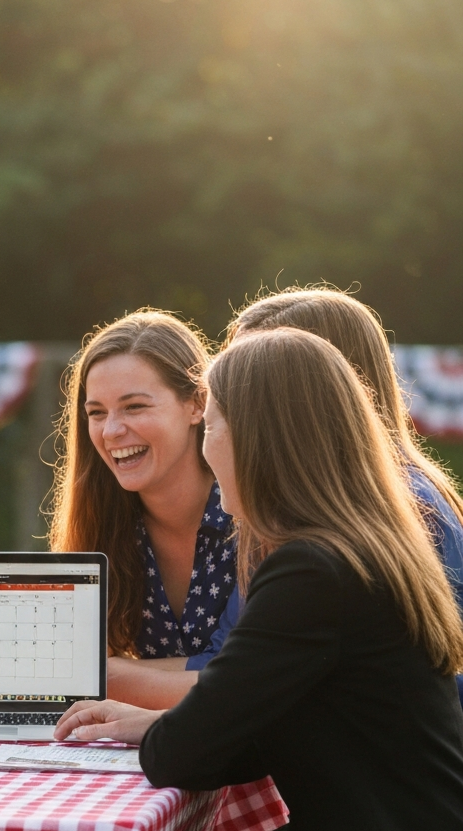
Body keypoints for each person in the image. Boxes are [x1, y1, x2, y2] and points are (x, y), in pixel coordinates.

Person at [55, 330, 463, 831]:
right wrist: (150, 723)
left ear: (261, 438)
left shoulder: (309, 571)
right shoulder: (363, 544)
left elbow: (187, 751)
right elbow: (279, 721)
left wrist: (163, 730)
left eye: (213, 426)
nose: (210, 449)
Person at [190, 287, 463, 702]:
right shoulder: (284, 509)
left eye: (256, 374)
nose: (238, 397)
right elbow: (228, 664)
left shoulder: (404, 510)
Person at [47, 311, 231, 706]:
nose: (111, 430)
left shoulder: (249, 514)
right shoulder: (104, 524)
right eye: (97, 412)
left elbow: (244, 678)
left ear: (197, 404)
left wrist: (100, 676)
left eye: (133, 407)